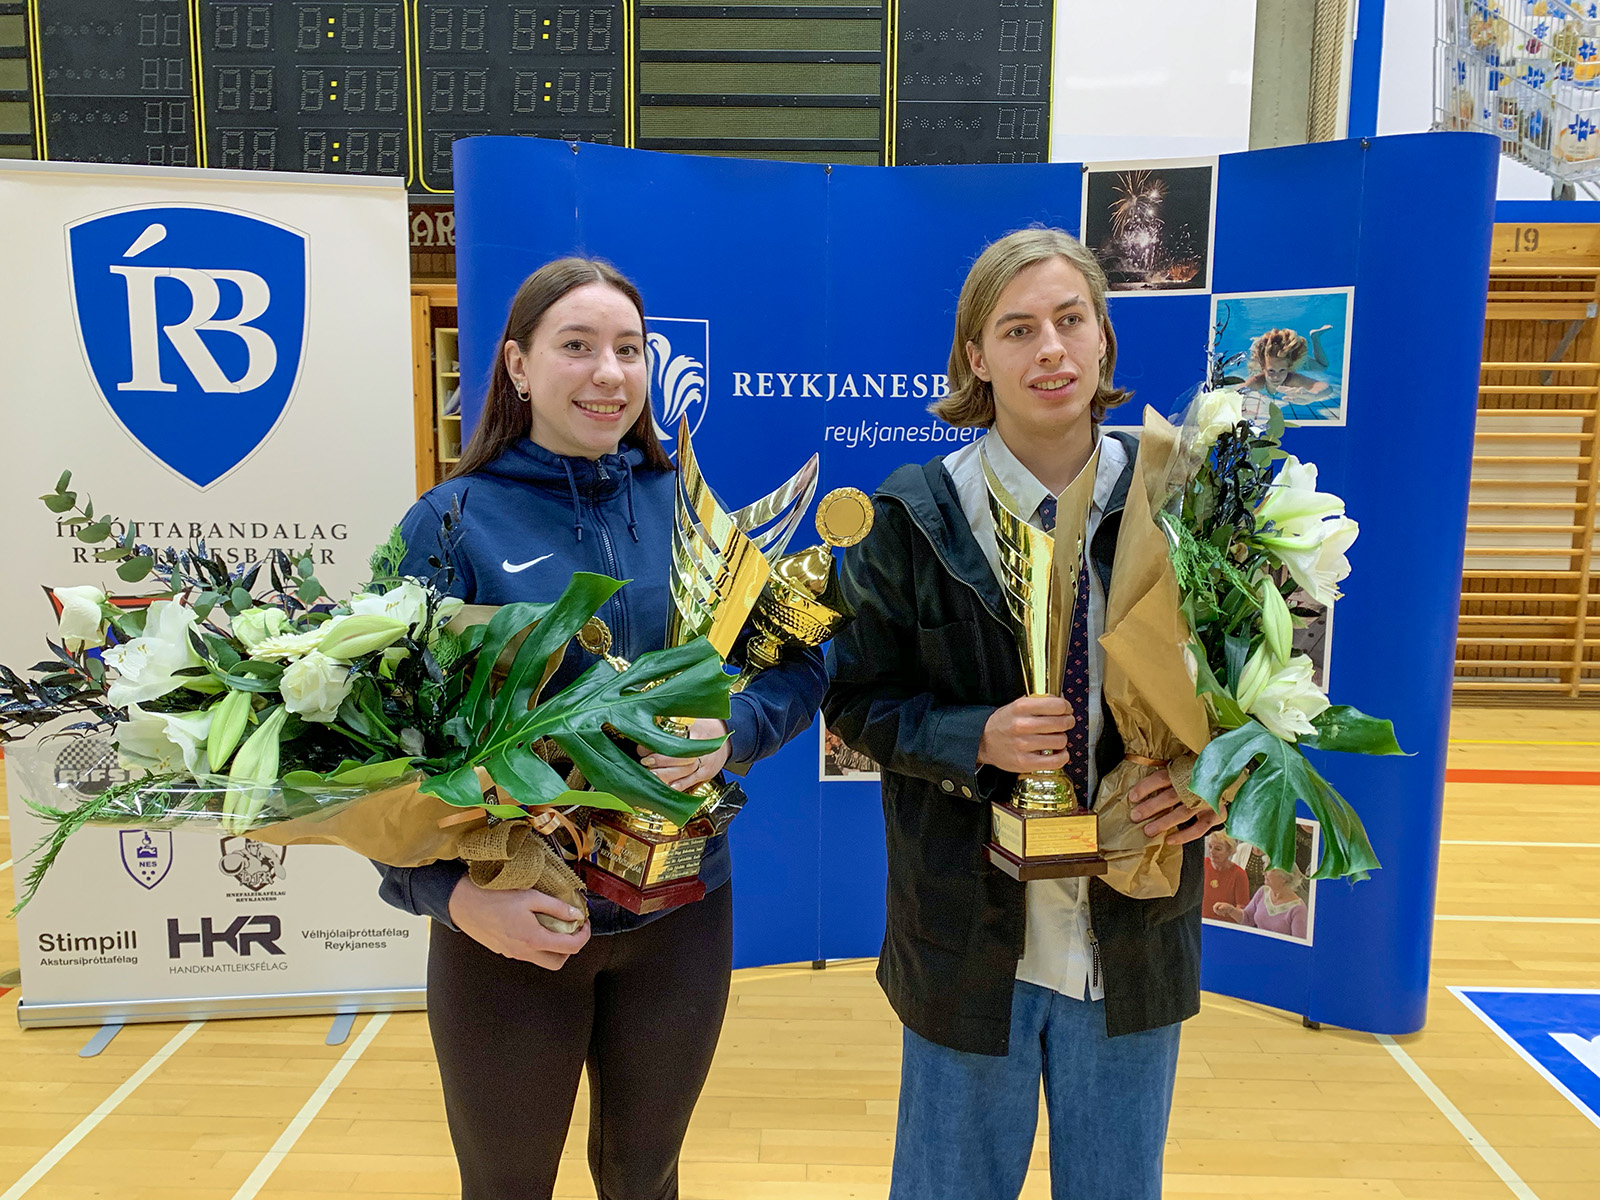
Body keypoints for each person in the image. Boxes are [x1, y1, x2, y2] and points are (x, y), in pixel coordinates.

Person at [374, 258, 826, 1200]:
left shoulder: (691, 511)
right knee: (505, 1186)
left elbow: (802, 661)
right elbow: (370, 752)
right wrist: (449, 900)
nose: (608, 372)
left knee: (646, 1176)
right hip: (512, 918)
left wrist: (732, 733)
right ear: (516, 365)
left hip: (681, 916)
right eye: (575, 347)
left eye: (628, 349)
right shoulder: (448, 525)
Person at [823, 227, 1224, 1200]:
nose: (1048, 349)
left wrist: (1218, 777)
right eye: (1017, 329)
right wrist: (975, 737)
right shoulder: (914, 511)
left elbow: (1250, 692)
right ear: (976, 357)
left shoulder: (1181, 493)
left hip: (1130, 922)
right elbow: (852, 696)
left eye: (1069, 321)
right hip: (970, 933)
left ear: (1102, 339)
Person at [1214, 866, 1309, 940]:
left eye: (1270, 870)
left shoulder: (1298, 909)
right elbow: (1247, 919)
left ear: (1284, 877)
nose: (1264, 873)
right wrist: (1231, 910)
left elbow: (1299, 946)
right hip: (1258, 950)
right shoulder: (1263, 891)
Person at [1203, 830, 1251, 921]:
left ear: (1229, 851)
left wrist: (1230, 910)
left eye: (1218, 849)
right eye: (1210, 847)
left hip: (1225, 926)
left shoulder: (1239, 874)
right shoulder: (1202, 864)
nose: (1212, 852)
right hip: (1200, 923)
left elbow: (1243, 910)